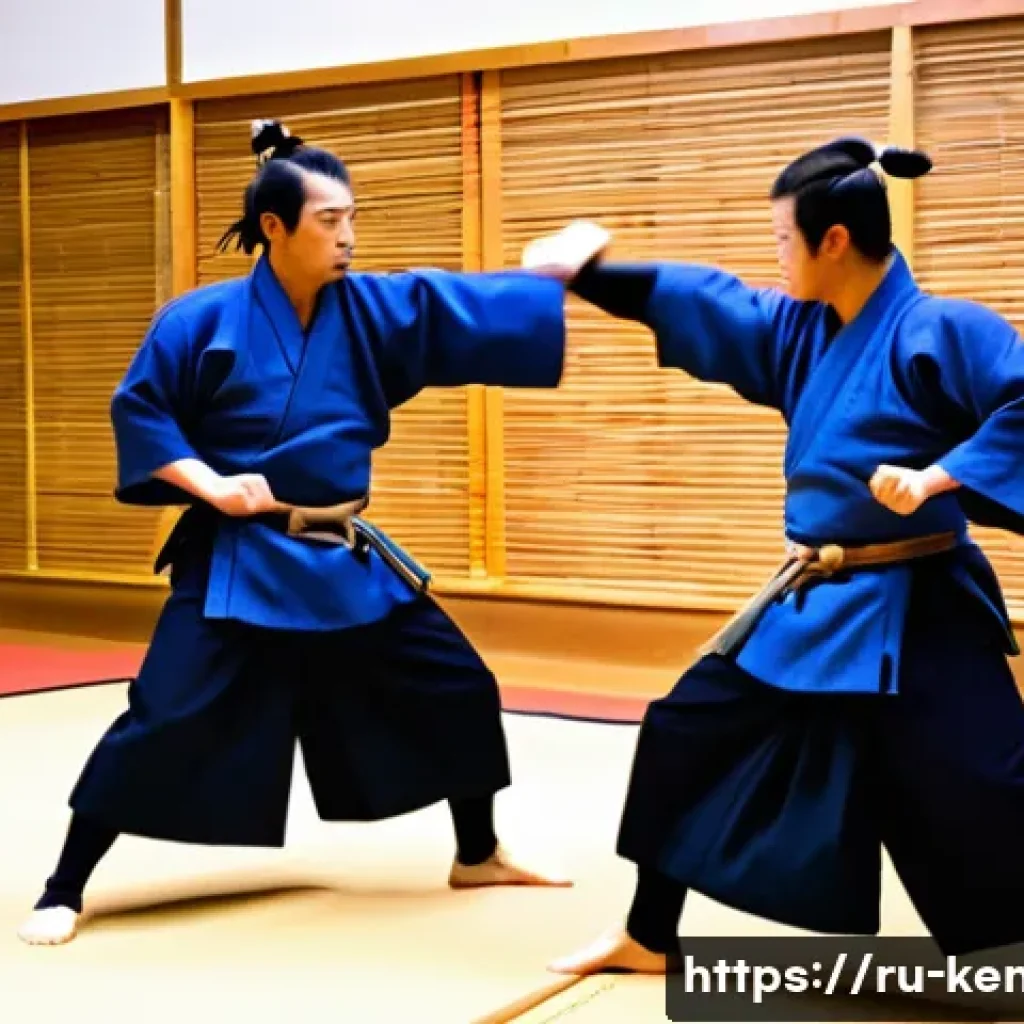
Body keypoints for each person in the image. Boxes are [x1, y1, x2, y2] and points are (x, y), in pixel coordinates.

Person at [18, 119, 605, 946]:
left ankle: (478, 850)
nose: (349, 239)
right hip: (239, 562)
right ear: (274, 228)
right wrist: (213, 487)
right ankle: (64, 885)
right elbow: (142, 412)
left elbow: (454, 308)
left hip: (339, 556)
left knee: (456, 685)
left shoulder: (365, 311)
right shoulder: (201, 320)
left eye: (352, 219)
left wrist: (545, 281)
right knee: (163, 716)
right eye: (330, 222)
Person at [522, 136, 1024, 974]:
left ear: (833, 241)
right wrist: (596, 273)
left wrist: (942, 475)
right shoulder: (803, 328)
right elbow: (715, 304)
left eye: (784, 240)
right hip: (819, 601)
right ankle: (649, 935)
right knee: (687, 729)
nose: (774, 257)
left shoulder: (943, 328)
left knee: (990, 787)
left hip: (920, 608)